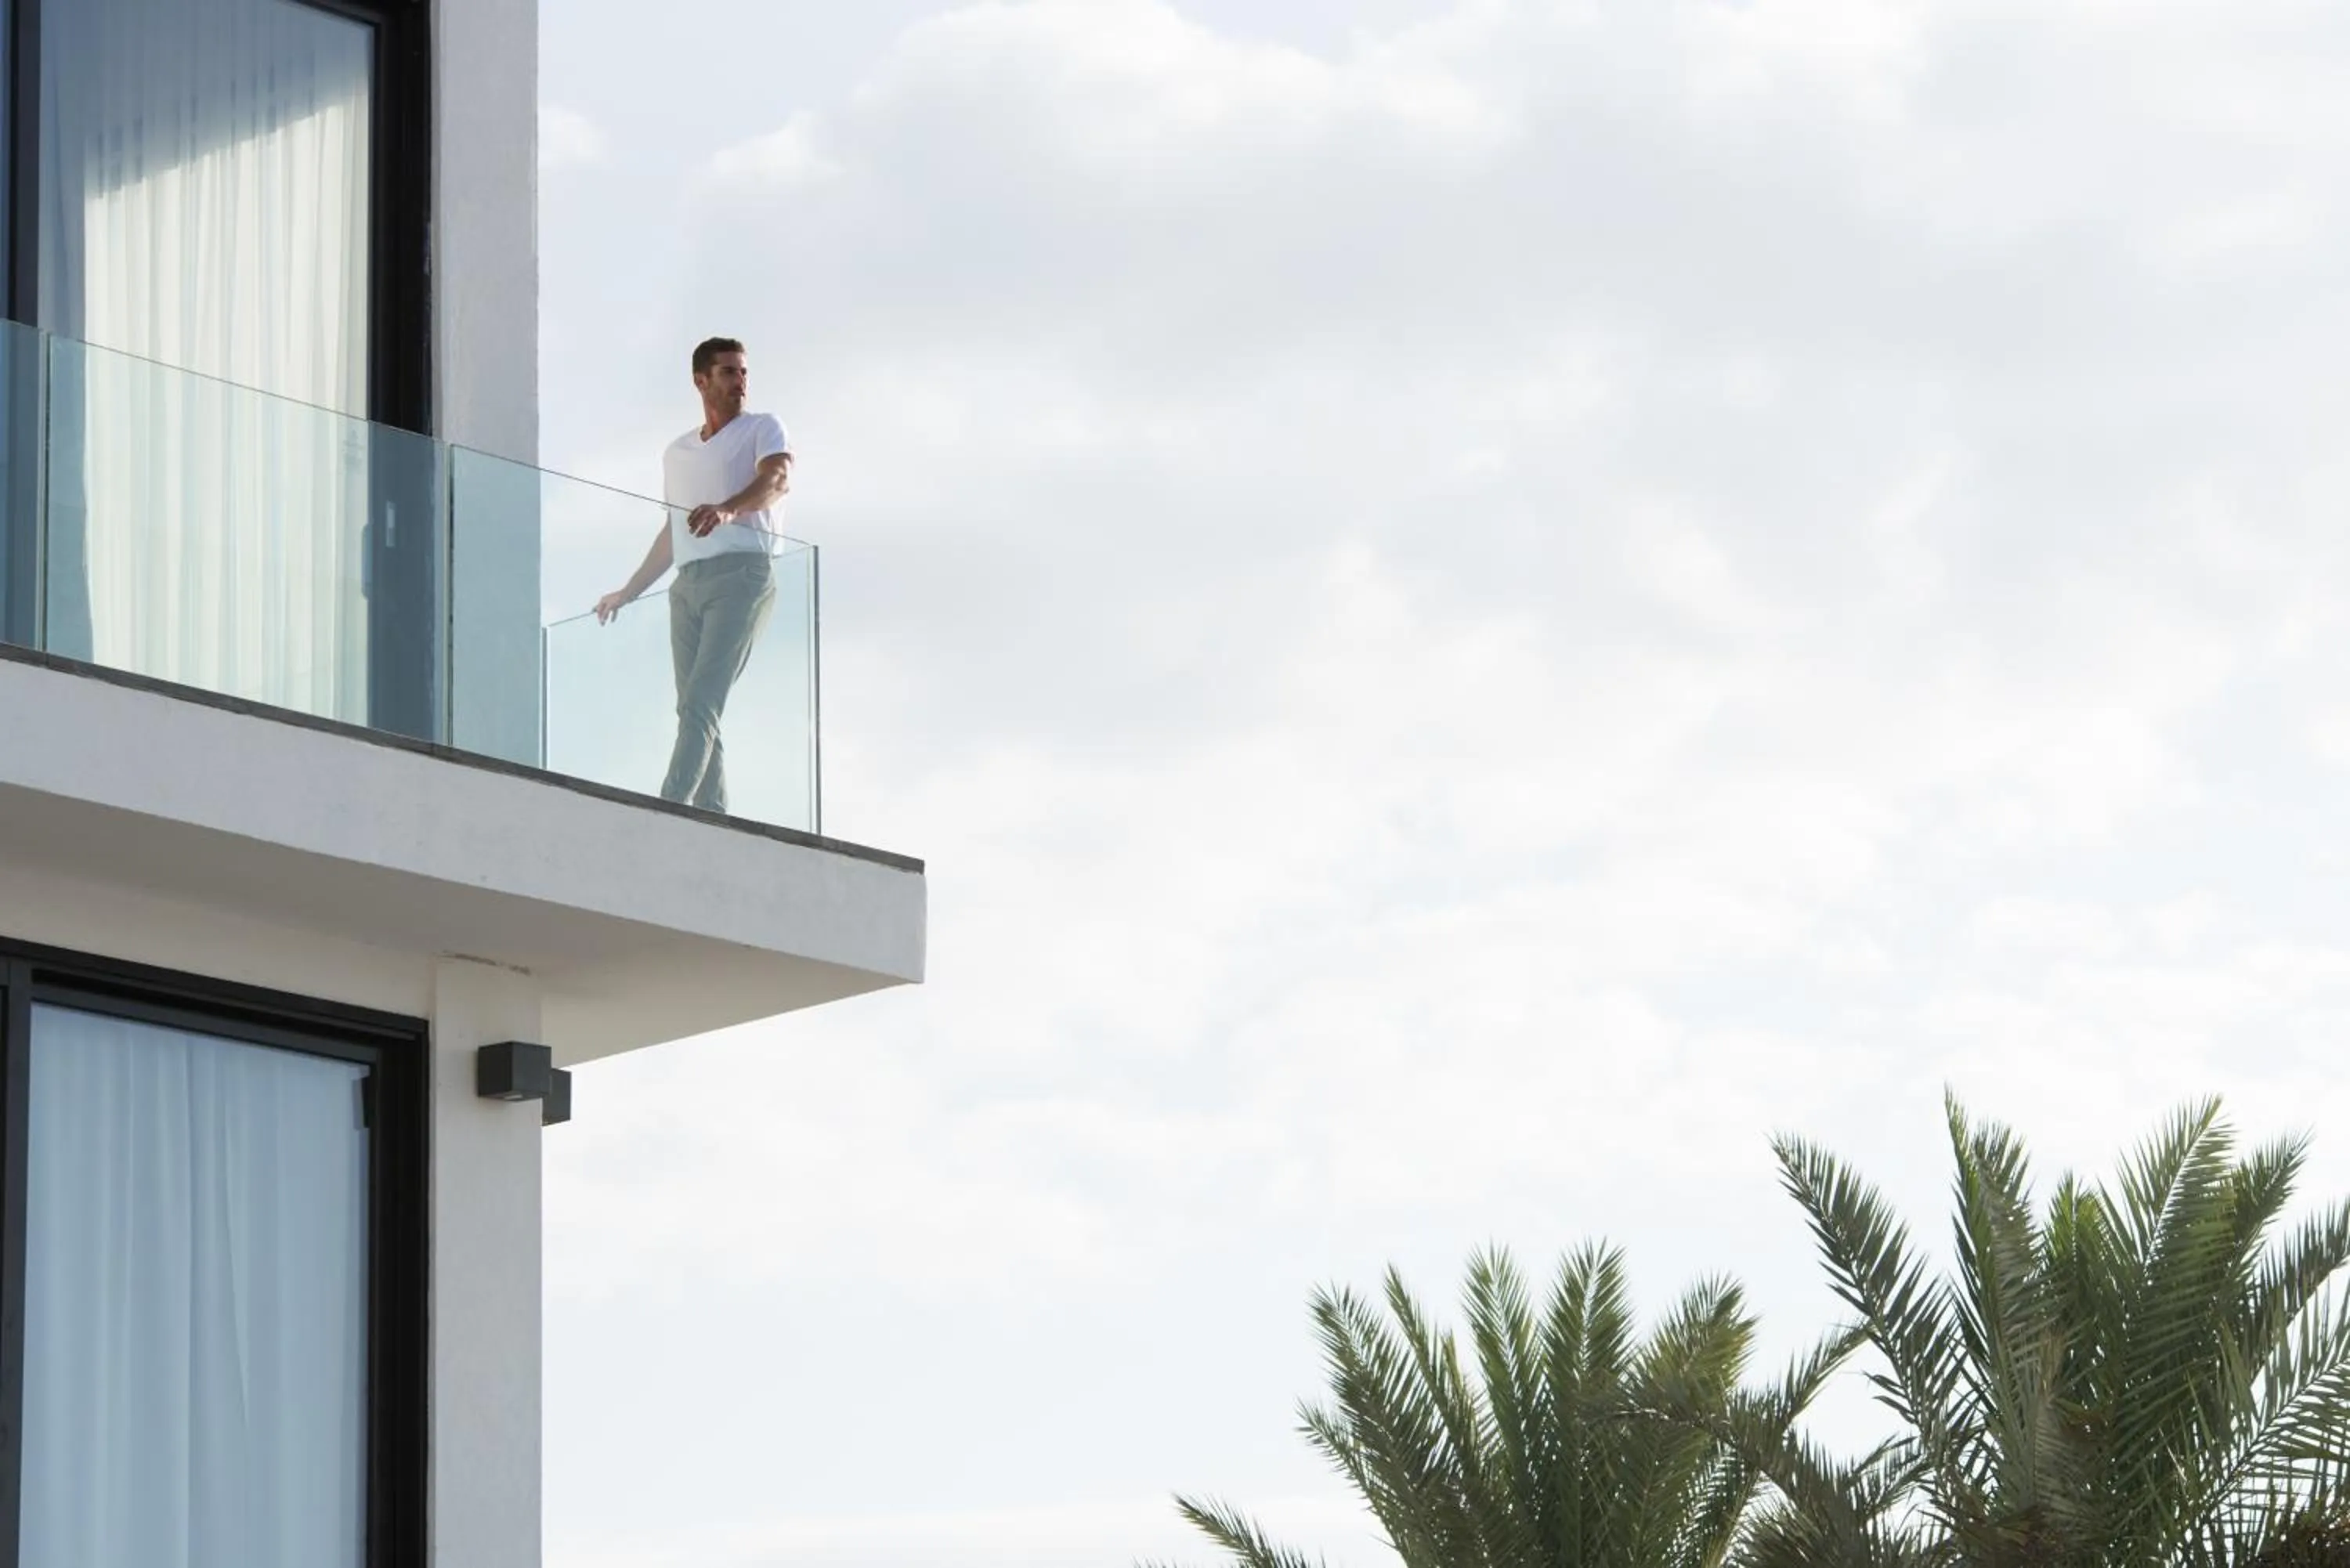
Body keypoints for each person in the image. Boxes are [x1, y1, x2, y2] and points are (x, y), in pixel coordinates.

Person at [595, 336, 793, 811]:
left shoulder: (763, 428)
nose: (740, 381)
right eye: (728, 372)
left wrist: (727, 510)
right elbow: (673, 530)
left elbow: (776, 481)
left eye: (743, 371)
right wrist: (629, 590)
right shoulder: (677, 452)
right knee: (693, 708)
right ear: (701, 381)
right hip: (687, 586)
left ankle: (670, 807)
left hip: (743, 576)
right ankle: (711, 818)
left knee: (703, 700)